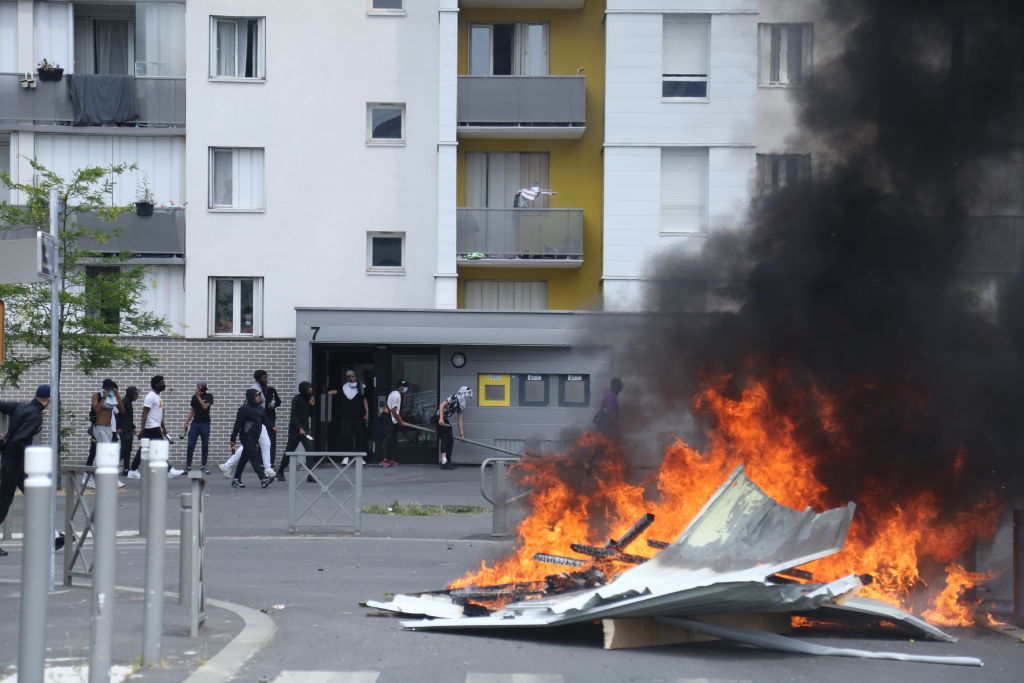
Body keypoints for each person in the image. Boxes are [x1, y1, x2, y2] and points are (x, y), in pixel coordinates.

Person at [0, 386, 53, 557]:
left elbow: (2, 405)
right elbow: (19, 440)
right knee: (4, 502)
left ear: (35, 395)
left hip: (16, 463)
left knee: (34, 498)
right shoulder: (35, 416)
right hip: (16, 462)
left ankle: (52, 536)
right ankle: (51, 536)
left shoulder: (21, 407)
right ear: (49, 399)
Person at [228, 389, 274, 488]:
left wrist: (272, 426)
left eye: (259, 395)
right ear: (251, 397)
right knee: (254, 457)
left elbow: (265, 419)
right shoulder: (244, 409)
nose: (259, 397)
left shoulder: (259, 408)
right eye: (257, 396)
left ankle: (236, 479)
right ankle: (263, 478)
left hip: (254, 437)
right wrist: (233, 439)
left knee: (244, 458)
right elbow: (237, 425)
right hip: (246, 437)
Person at [127, 375, 169, 479]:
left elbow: (159, 414)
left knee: (143, 449)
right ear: (156, 384)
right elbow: (144, 413)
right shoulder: (150, 396)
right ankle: (169, 469)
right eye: (162, 382)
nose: (164, 384)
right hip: (151, 426)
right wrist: (142, 429)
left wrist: (163, 427)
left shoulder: (158, 397)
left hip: (155, 426)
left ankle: (133, 469)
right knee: (159, 446)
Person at [277, 381, 317, 481]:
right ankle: (280, 471)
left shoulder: (310, 399)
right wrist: (299, 428)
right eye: (309, 389)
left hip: (306, 431)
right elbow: (293, 416)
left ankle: (310, 475)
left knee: (310, 449)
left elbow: (312, 415)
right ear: (304, 389)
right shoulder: (296, 399)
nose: (311, 390)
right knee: (290, 451)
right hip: (295, 430)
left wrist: (312, 405)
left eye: (311, 388)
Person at [436, 386, 472, 470]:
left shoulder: (461, 404)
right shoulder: (453, 397)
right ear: (463, 392)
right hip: (438, 417)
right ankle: (444, 462)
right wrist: (441, 418)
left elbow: (460, 420)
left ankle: (448, 461)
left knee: (451, 440)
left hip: (445, 419)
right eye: (467, 393)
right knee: (445, 438)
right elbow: (441, 405)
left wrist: (462, 435)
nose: (468, 396)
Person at [182, 381, 214, 474]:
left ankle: (203, 466)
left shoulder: (209, 396)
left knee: (205, 445)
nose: (196, 388)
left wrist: (199, 396)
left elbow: (205, 407)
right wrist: (186, 422)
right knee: (190, 445)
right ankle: (188, 466)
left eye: (198, 387)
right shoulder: (194, 397)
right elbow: (192, 411)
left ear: (202, 388)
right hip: (195, 424)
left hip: (205, 423)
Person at [337, 370, 369, 461]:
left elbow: (364, 400)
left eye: (354, 376)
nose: (353, 378)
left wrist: (367, 413)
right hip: (347, 416)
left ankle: (359, 457)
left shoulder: (361, 387)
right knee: (347, 436)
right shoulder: (344, 388)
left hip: (359, 415)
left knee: (360, 436)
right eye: (351, 376)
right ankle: (346, 456)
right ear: (347, 378)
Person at [378, 379, 408, 468]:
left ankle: (391, 459)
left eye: (406, 386)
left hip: (393, 419)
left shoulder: (399, 395)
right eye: (404, 386)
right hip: (388, 419)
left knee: (392, 440)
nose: (406, 388)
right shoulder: (396, 395)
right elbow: (394, 411)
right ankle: (384, 460)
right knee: (387, 439)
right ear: (399, 387)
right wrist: (400, 421)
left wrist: (399, 420)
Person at [116, 386, 139, 476]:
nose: (137, 396)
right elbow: (118, 415)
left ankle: (126, 469)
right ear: (131, 394)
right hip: (124, 429)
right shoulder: (125, 401)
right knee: (125, 449)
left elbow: (128, 417)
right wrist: (118, 427)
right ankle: (112, 464)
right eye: (136, 393)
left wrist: (132, 427)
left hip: (128, 429)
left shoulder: (128, 402)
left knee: (128, 449)